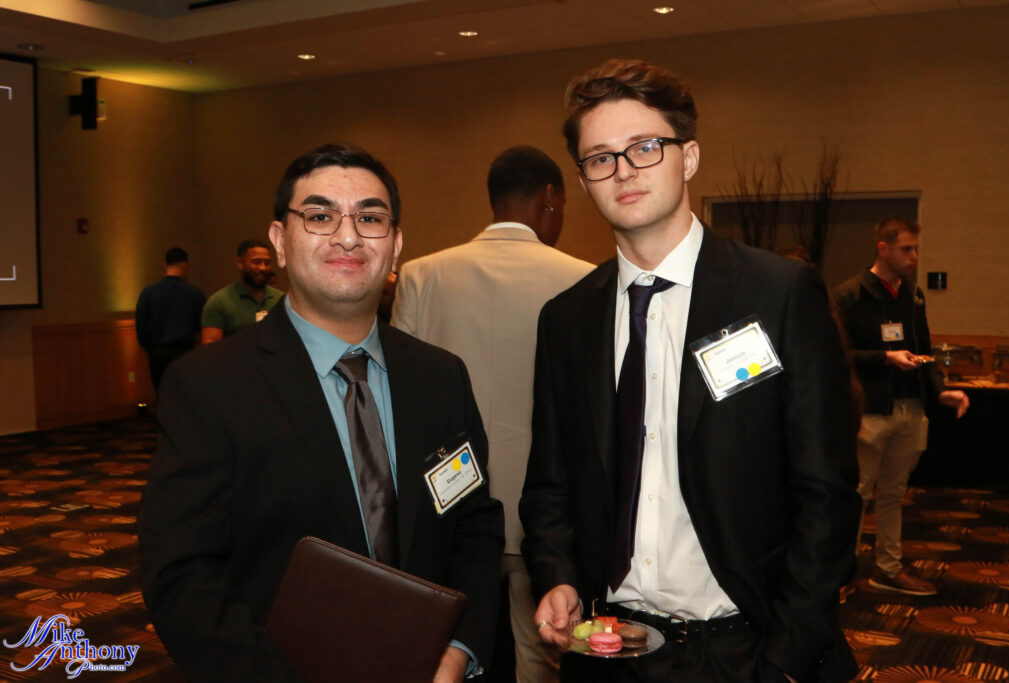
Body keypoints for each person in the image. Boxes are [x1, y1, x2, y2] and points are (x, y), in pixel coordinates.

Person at [518, 59, 861, 682]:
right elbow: (550, 485)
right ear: (584, 181)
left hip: (744, 649)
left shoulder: (777, 294)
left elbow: (827, 489)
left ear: (690, 157)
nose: (624, 170)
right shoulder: (566, 319)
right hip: (610, 648)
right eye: (600, 158)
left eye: (645, 147)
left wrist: (787, 657)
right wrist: (558, 575)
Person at [139, 143, 504, 682]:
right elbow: (182, 572)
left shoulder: (440, 376)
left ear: (396, 246)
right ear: (280, 241)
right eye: (319, 216)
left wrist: (459, 649)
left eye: (370, 218)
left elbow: (473, 526)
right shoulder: (209, 385)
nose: (348, 236)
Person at [392, 145, 593, 683]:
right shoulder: (586, 280)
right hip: (545, 510)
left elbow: (399, 400)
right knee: (546, 652)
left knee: (438, 649)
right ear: (549, 197)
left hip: (446, 505)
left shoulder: (421, 275)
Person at [833, 218, 969, 597]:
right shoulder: (849, 294)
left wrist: (941, 391)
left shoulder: (913, 294)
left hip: (910, 406)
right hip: (869, 410)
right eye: (906, 249)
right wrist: (885, 358)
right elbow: (838, 356)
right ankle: (841, 573)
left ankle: (888, 569)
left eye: (916, 249)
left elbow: (924, 349)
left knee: (894, 494)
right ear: (883, 249)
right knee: (857, 495)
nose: (914, 257)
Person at [134, 247, 205, 391]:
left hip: (158, 352)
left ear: (165, 264)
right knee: (185, 393)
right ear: (185, 265)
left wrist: (146, 346)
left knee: (162, 393)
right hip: (185, 352)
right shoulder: (195, 294)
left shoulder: (149, 293)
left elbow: (140, 323)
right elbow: (201, 325)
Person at [200, 238, 284, 343]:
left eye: (267, 263)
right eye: (256, 262)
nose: (262, 268)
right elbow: (210, 345)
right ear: (240, 263)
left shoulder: (281, 300)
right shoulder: (219, 302)